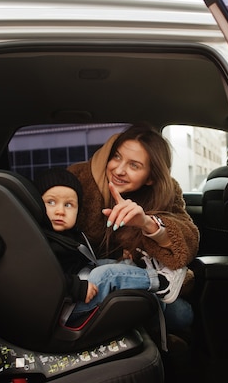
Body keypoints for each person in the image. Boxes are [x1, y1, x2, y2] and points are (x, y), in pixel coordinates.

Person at [67, 123, 199, 331]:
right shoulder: (80, 179)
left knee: (183, 315)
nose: (119, 170)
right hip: (83, 280)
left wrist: (146, 223)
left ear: (151, 177)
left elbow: (187, 240)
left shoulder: (166, 192)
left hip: (136, 281)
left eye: (134, 165)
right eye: (117, 157)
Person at [33, 167, 187, 323]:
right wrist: (76, 288)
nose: (60, 211)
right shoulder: (39, 240)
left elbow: (87, 257)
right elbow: (40, 277)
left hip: (77, 286)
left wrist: (119, 255)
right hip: (64, 308)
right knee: (106, 275)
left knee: (116, 263)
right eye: (51, 202)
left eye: (68, 205)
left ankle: (149, 285)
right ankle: (162, 282)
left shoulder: (71, 234)